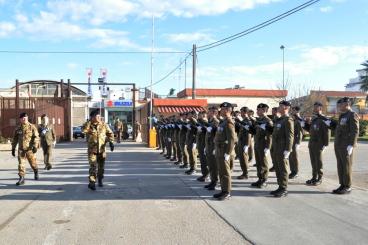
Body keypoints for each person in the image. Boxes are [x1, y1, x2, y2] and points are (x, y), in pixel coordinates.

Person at [82, 109, 114, 190]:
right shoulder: (88, 125)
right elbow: (83, 130)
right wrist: (89, 122)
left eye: (99, 116)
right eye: (97, 116)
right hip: (92, 150)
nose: (99, 117)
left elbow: (110, 133)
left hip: (102, 150)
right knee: (92, 166)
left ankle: (100, 179)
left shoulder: (104, 125)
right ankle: (92, 182)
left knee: (101, 168)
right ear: (92, 117)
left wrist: (111, 142)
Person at [332, 97, 359, 194]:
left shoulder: (352, 115)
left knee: (346, 165)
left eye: (341, 104)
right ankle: (342, 184)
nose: (339, 106)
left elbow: (355, 131)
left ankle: (347, 186)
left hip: (346, 145)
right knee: (340, 165)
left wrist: (351, 145)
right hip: (339, 144)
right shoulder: (342, 115)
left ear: (347, 104)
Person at [213, 102, 236, 201]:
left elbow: (232, 139)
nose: (220, 111)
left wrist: (228, 153)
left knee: (226, 173)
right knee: (221, 172)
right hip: (219, 150)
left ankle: (227, 192)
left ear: (227, 110)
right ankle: (223, 190)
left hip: (224, 151)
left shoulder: (229, 122)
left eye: (222, 109)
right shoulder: (223, 122)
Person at [270, 100, 294, 198]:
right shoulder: (280, 120)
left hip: (282, 148)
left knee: (283, 169)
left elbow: (290, 136)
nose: (278, 108)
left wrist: (288, 150)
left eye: (280, 106)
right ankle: (280, 186)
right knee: (278, 168)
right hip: (276, 148)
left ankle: (284, 188)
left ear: (286, 108)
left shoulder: (288, 120)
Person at [303, 102, 330, 186]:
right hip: (312, 143)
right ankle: (314, 177)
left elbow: (327, 132)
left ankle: (319, 178)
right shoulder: (314, 119)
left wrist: (326, 144)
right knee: (313, 161)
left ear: (320, 109)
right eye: (314, 107)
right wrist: (305, 125)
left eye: (316, 107)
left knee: (318, 162)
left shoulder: (324, 119)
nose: (314, 109)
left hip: (319, 143)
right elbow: (311, 131)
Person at [11, 112, 40, 186]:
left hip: (30, 149)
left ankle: (36, 171)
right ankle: (22, 178)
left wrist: (35, 146)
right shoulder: (18, 128)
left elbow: (36, 137)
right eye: (22, 118)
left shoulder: (32, 127)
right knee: (21, 164)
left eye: (25, 117)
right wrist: (13, 148)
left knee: (33, 163)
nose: (24, 119)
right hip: (21, 150)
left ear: (27, 118)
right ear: (20, 119)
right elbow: (14, 139)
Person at [252, 103, 273, 188]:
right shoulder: (258, 120)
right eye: (257, 109)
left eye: (259, 110)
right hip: (257, 144)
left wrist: (268, 147)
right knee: (259, 162)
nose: (257, 111)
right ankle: (260, 178)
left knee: (263, 163)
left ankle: (264, 180)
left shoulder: (268, 121)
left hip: (264, 144)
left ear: (264, 110)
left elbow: (270, 135)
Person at [204, 106, 220, 190]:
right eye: (208, 111)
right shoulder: (209, 121)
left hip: (213, 146)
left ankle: (215, 182)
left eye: (209, 112)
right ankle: (212, 181)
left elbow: (218, 135)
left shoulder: (216, 122)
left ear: (214, 113)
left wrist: (215, 148)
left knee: (214, 166)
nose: (208, 113)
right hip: (209, 146)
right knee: (210, 164)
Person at [236, 107, 252, 179]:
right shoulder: (243, 120)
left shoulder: (248, 121)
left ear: (245, 112)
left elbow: (249, 133)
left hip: (244, 142)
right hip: (241, 142)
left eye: (241, 112)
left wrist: (247, 145)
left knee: (244, 159)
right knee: (241, 159)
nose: (240, 113)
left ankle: (246, 173)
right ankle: (244, 172)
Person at [289, 106, 304, 179]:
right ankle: (292, 171)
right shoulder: (293, 119)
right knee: (291, 156)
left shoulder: (299, 120)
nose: (292, 111)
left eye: (293, 110)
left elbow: (301, 132)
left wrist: (298, 143)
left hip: (295, 140)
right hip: (291, 141)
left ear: (297, 111)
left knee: (294, 157)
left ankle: (296, 172)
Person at [196, 111, 209, 182]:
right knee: (202, 161)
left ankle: (207, 175)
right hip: (200, 144)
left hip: (205, 144)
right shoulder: (200, 122)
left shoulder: (207, 123)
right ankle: (204, 174)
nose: (199, 116)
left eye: (200, 115)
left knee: (205, 161)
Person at [185, 111, 198, 175]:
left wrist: (195, 142)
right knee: (190, 154)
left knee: (193, 155)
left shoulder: (194, 120)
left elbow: (197, 130)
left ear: (192, 115)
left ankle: (194, 169)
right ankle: (191, 167)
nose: (188, 115)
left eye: (189, 114)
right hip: (189, 140)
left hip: (193, 140)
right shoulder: (189, 121)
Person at [269, 107, 280, 172]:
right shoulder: (273, 118)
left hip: (277, 139)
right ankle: (274, 165)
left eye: (273, 111)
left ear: (276, 111)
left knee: (275, 154)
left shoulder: (278, 118)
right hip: (273, 137)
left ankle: (277, 166)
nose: (272, 112)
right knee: (272, 152)